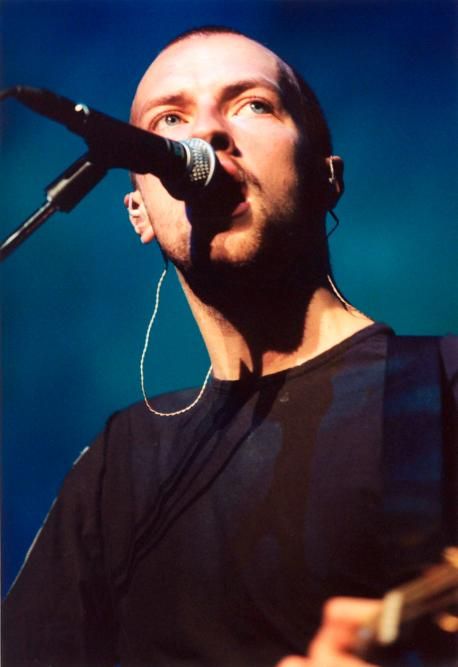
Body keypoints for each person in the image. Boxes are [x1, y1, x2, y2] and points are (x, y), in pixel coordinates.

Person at [2, 26, 456, 667]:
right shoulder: (118, 466)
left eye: (253, 105)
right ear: (140, 212)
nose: (208, 133)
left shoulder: (441, 388)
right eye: (169, 119)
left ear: (326, 178)